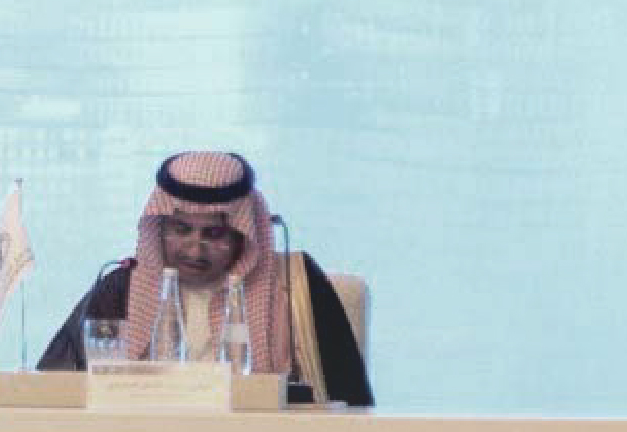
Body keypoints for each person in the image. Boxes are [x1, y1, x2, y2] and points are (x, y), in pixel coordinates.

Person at [35, 150, 373, 405]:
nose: (195, 249)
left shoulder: (297, 286)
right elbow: (56, 385)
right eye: (181, 230)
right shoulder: (119, 289)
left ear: (243, 234)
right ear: (159, 227)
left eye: (214, 234)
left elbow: (352, 403)